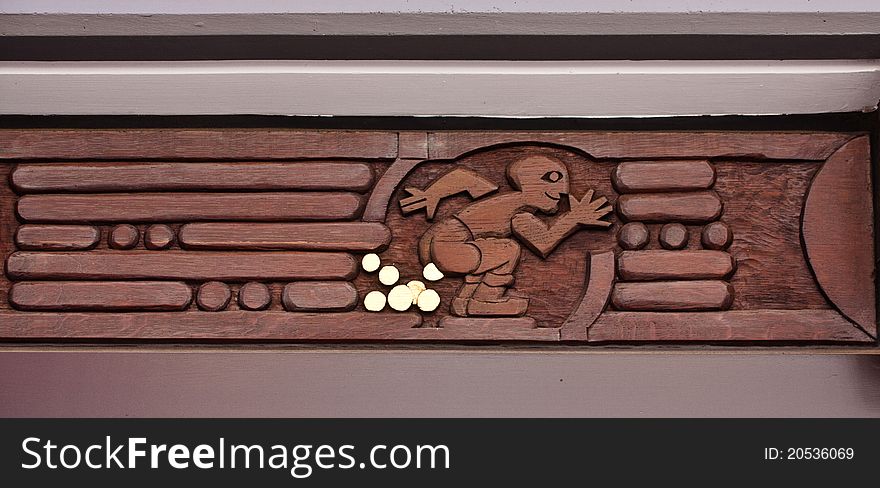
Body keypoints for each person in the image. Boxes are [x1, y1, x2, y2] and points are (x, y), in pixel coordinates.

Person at [400, 154, 612, 316]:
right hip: (451, 247)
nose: (564, 194)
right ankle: (485, 301)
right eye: (553, 184)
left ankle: (463, 301)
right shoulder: (520, 211)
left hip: (439, 241)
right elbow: (543, 242)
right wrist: (573, 219)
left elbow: (463, 177)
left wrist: (432, 194)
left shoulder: (501, 197)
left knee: (493, 248)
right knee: (509, 249)